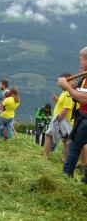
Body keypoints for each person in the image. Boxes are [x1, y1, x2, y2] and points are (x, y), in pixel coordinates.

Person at [57, 46, 87, 181]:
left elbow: (83, 99)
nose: (80, 64)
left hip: (86, 119)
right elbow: (79, 95)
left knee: (74, 146)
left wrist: (67, 87)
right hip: (83, 117)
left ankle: (66, 178)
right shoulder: (85, 78)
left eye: (81, 60)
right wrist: (71, 87)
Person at [43, 74, 76, 160]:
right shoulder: (65, 92)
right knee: (65, 141)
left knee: (49, 135)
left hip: (62, 120)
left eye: (61, 81)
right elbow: (64, 105)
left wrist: (56, 121)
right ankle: (65, 160)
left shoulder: (68, 93)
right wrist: (57, 100)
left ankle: (46, 157)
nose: (59, 83)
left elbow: (66, 109)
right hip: (62, 120)